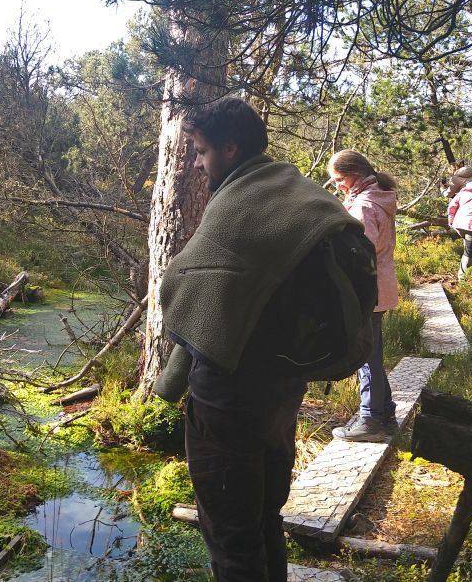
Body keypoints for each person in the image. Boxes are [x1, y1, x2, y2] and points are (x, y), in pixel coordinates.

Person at [153, 97, 356, 582]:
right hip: (283, 391)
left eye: (201, 152)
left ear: (229, 147)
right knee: (265, 517)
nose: (199, 165)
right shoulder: (297, 192)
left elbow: (182, 284)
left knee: (230, 536)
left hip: (227, 398)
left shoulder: (238, 204)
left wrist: (170, 382)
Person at [325, 150, 398, 442]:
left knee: (365, 354)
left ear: (354, 174)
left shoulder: (365, 206)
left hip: (368, 290)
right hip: (380, 286)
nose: (337, 185)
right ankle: (385, 412)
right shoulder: (377, 197)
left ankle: (370, 420)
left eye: (339, 179)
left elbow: (358, 254)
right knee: (373, 352)